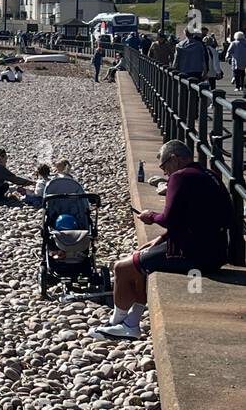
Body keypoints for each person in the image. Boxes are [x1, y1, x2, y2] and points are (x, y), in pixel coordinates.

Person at [92, 140, 236, 340]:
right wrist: (161, 238)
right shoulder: (209, 175)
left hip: (194, 255)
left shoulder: (180, 177)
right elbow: (196, 218)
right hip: (217, 252)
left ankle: (118, 324)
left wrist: (149, 216)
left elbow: (169, 219)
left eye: (164, 166)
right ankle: (130, 323)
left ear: (175, 159)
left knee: (121, 267)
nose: (165, 172)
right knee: (139, 261)